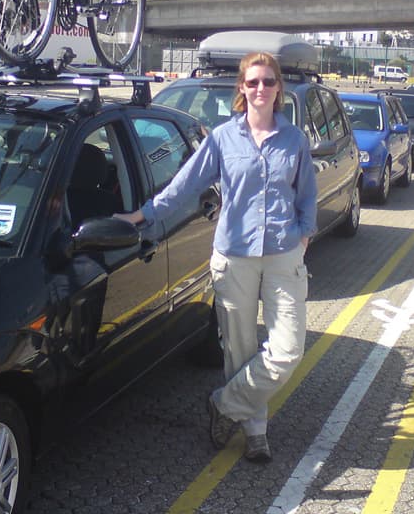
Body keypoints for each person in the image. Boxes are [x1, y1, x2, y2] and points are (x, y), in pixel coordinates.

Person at [115, 51, 317, 464]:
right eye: (254, 82)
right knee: (239, 349)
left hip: (283, 255)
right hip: (235, 255)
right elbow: (186, 185)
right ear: (242, 88)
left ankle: (224, 404)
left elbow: (307, 195)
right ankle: (255, 432)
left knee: (287, 351)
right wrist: (144, 214)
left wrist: (305, 236)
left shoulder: (294, 141)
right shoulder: (223, 138)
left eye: (269, 82)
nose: (261, 88)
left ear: (279, 89)